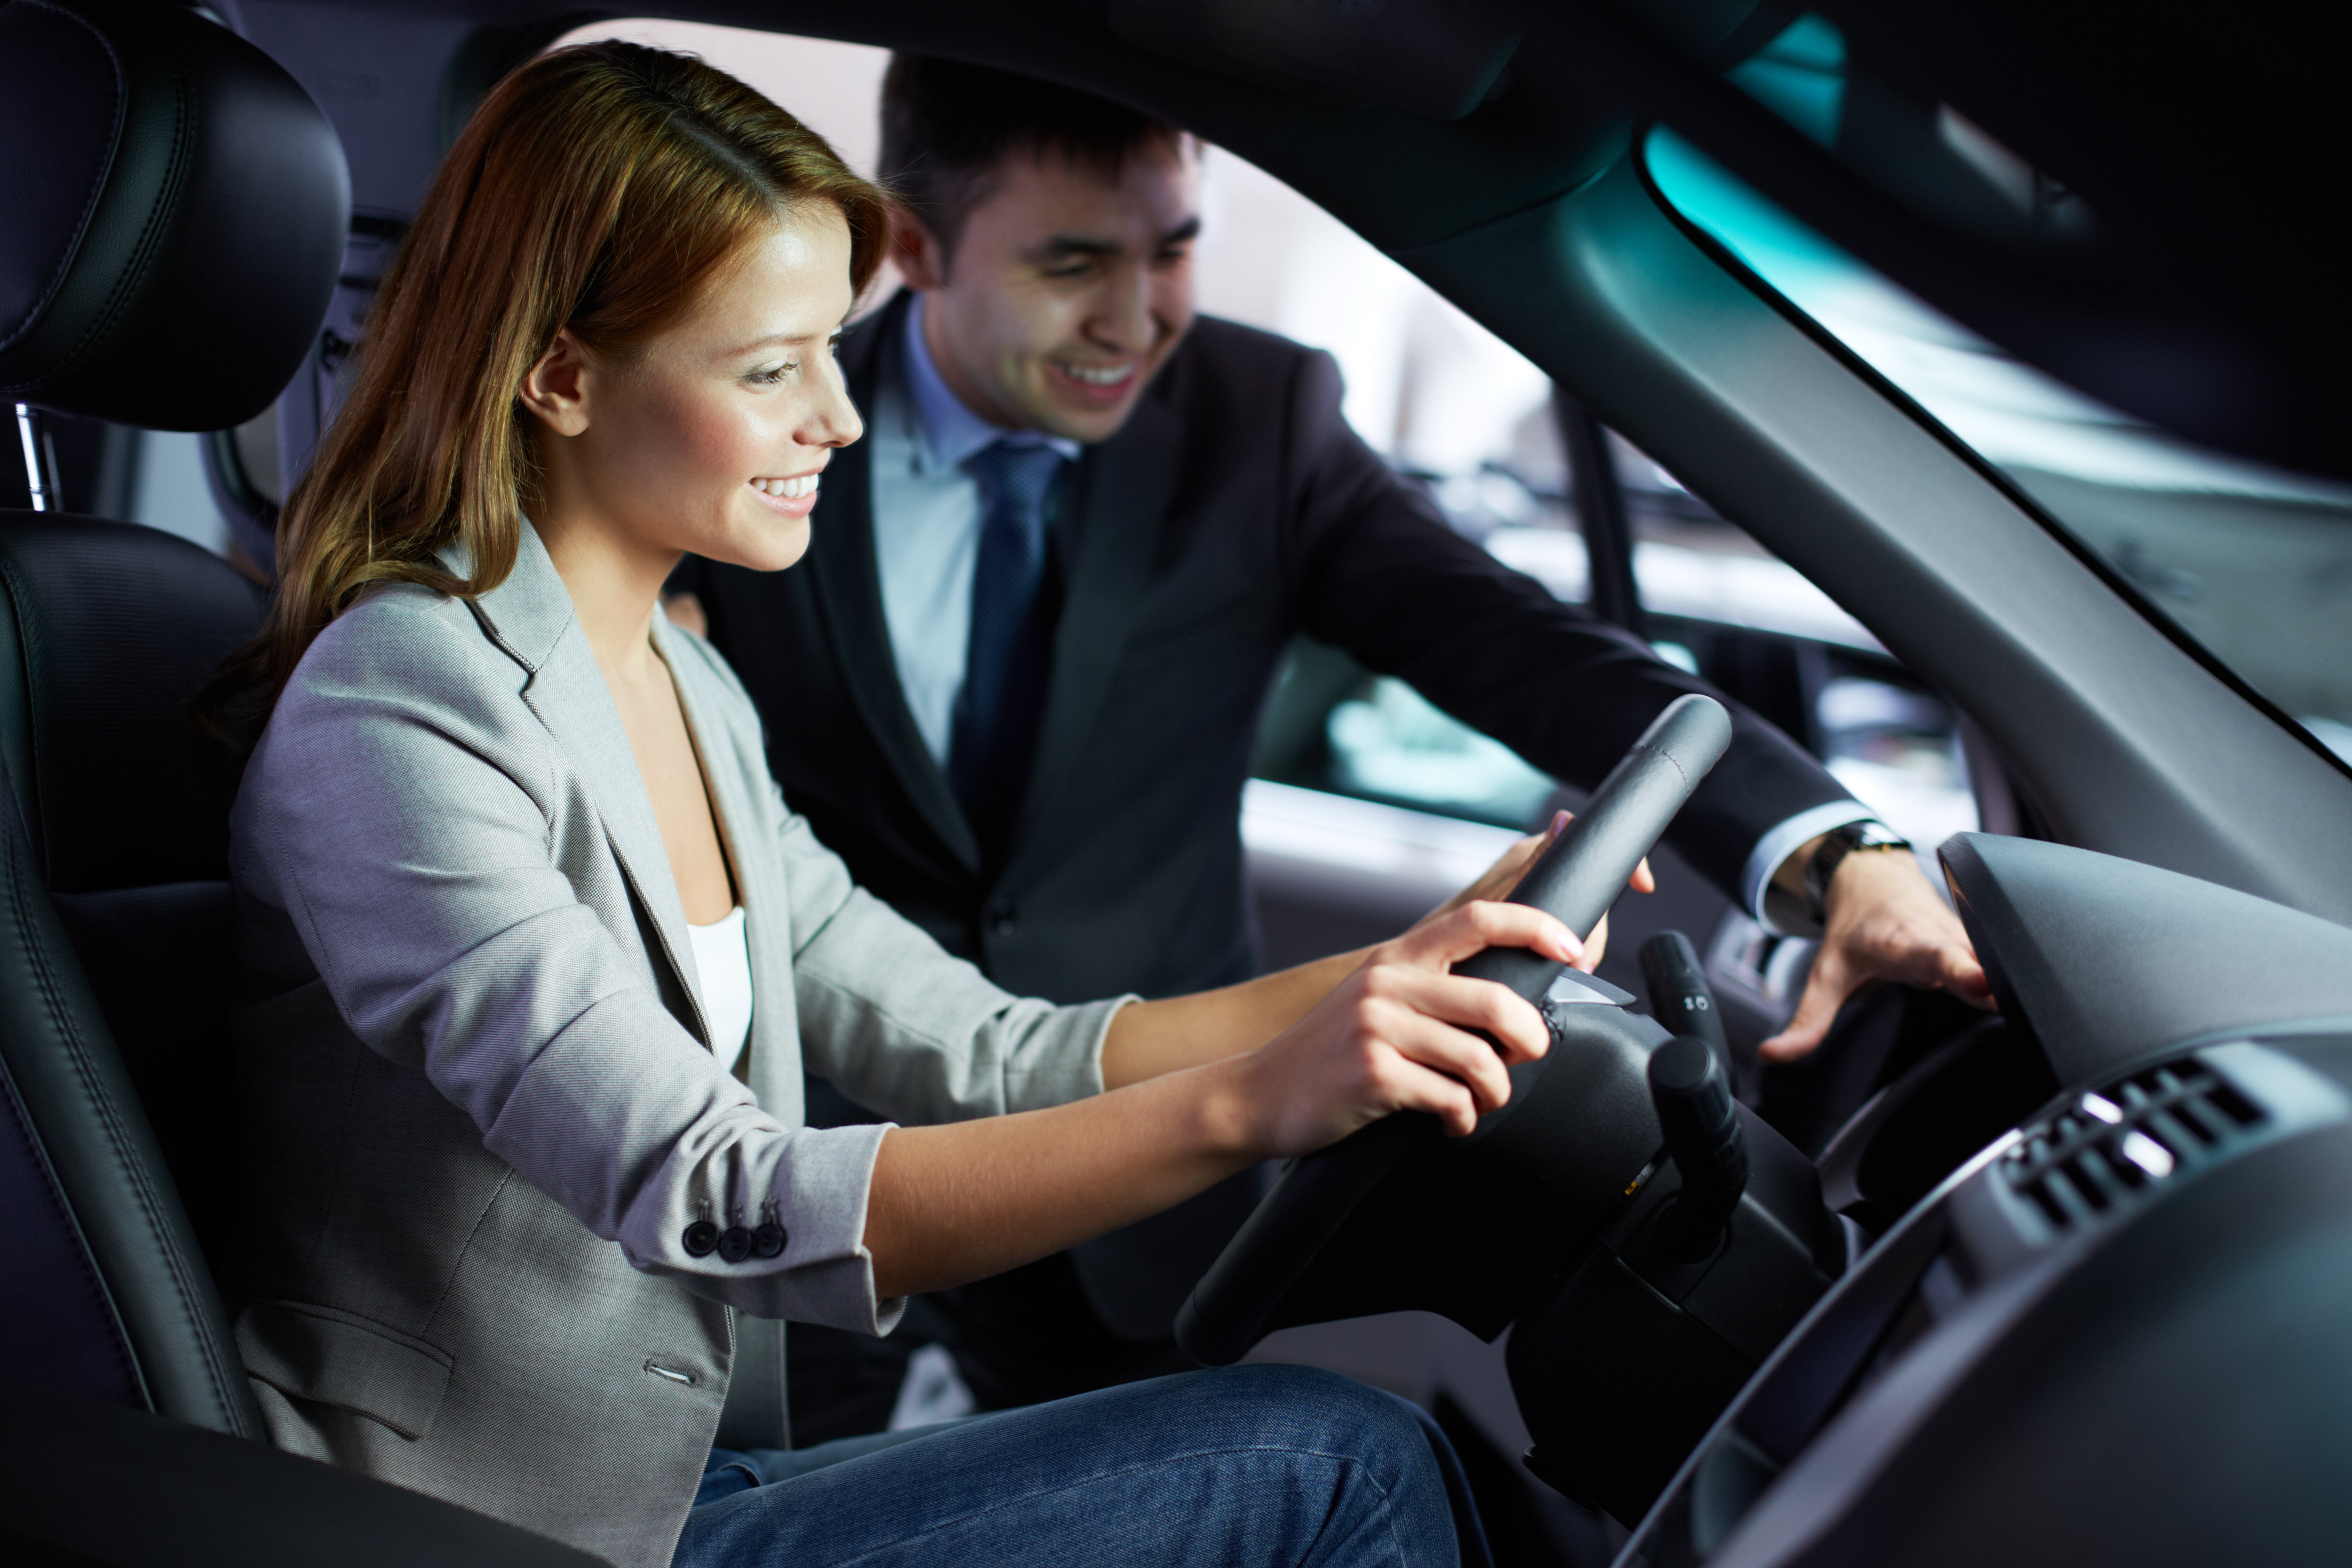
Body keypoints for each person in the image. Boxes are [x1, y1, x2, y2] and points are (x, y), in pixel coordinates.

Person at [216, 40, 1587, 1568]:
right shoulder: (397, 705)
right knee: (1338, 1460)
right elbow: (709, 1189)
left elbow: (996, 1049)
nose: (842, 418)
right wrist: (1252, 1104)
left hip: (680, 1482)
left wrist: (1378, 985)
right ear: (562, 377)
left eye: (830, 348)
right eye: (768, 369)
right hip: (483, 1522)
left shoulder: (683, 685)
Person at [674, 56, 1994, 1418]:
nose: (1135, 320)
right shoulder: (761, 439)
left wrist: (1843, 852)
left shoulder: (1263, 423)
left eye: (1173, 252)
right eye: (1074, 263)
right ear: (915, 243)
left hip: (1144, 1186)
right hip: (827, 1163)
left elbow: (1532, 652)